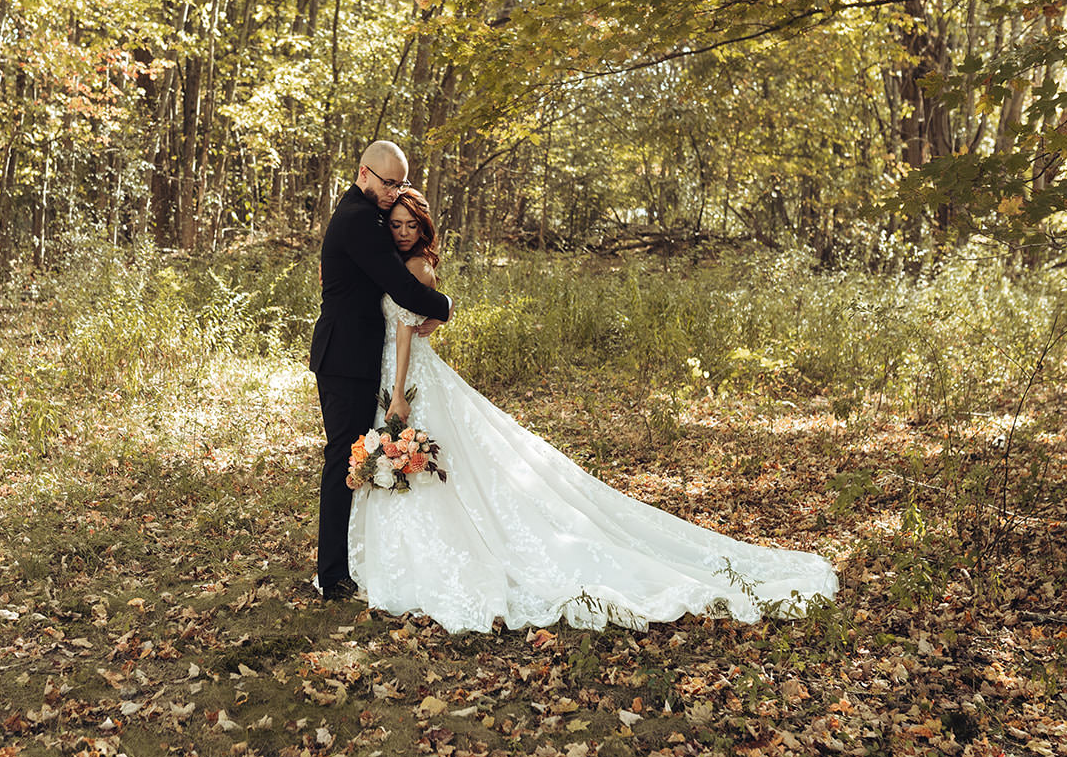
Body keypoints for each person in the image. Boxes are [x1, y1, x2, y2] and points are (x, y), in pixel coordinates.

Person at [349, 188, 838, 633]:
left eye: (412, 224)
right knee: (436, 466)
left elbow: (412, 329)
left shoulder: (416, 268)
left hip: (408, 377)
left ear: (425, 228)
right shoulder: (392, 261)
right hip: (396, 370)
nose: (405, 231)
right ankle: (411, 555)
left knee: (431, 461)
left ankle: (433, 561)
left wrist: (397, 394)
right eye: (397, 224)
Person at [310, 142, 452, 602]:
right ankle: (332, 576)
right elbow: (400, 287)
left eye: (400, 184)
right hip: (346, 360)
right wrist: (445, 306)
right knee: (343, 462)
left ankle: (350, 560)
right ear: (363, 173)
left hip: (360, 356)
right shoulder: (357, 219)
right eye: (388, 183)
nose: (394, 192)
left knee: (355, 460)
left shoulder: (366, 214)